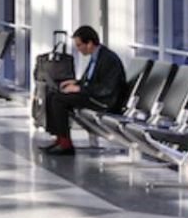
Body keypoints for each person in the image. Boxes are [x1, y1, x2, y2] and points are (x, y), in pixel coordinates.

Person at [41, 26, 127, 156]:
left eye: (79, 45)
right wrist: (76, 82)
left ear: (90, 43)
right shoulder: (97, 56)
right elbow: (92, 80)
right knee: (52, 94)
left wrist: (80, 88)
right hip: (94, 96)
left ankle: (65, 144)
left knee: (59, 100)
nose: (78, 49)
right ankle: (59, 138)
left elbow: (106, 89)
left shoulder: (108, 59)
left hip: (104, 101)